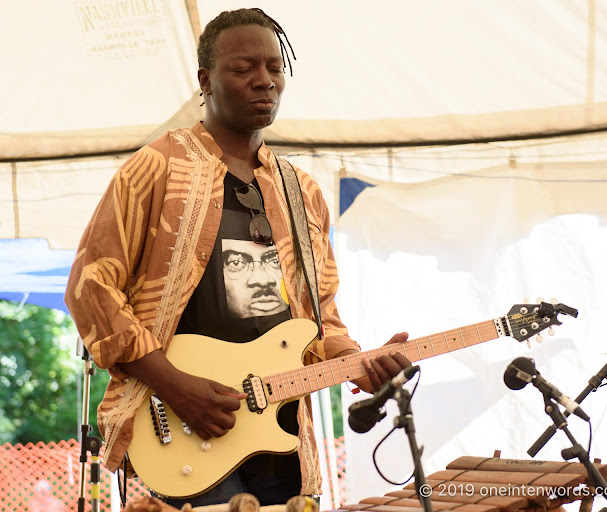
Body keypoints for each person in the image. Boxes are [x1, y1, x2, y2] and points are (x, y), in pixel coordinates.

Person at [64, 7, 411, 509]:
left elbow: (320, 320)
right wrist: (178, 388)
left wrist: (354, 362)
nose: (264, 81)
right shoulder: (155, 168)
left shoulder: (301, 191)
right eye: (244, 68)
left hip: (280, 430)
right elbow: (90, 288)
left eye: (274, 68)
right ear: (205, 80)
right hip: (183, 425)